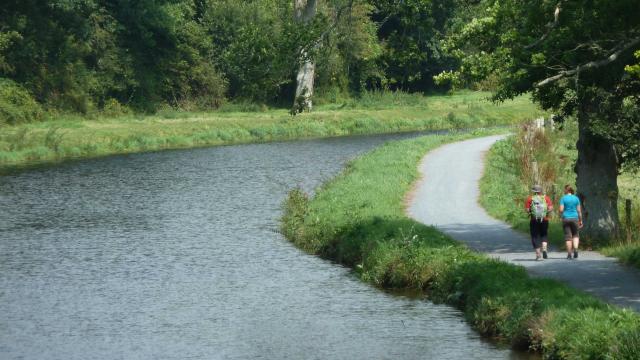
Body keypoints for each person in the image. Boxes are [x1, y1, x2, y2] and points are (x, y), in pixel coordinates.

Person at [525, 184, 553, 261]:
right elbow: (550, 208)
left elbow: (527, 210)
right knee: (544, 234)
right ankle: (544, 249)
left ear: (534, 191)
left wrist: (531, 211)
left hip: (534, 220)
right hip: (544, 219)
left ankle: (538, 255)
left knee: (535, 236)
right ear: (541, 191)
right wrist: (545, 212)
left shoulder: (530, 199)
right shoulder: (546, 198)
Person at [559, 184, 583, 259]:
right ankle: (575, 249)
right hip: (575, 218)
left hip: (566, 218)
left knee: (568, 237)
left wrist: (561, 215)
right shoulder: (576, 198)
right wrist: (580, 220)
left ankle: (569, 254)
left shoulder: (563, 198)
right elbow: (579, 211)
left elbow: (561, 210)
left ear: (566, 190)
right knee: (575, 235)